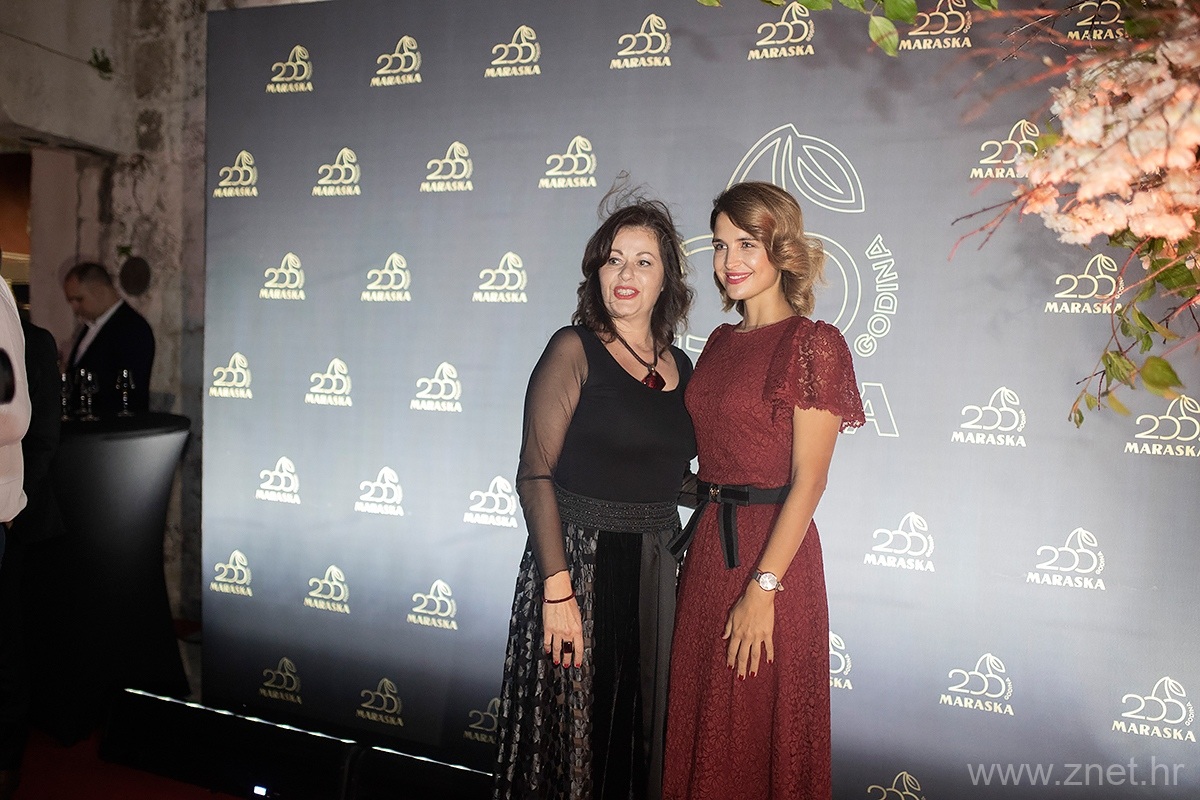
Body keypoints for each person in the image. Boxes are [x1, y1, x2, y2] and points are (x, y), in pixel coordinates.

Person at [662, 182, 865, 800]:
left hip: (772, 561)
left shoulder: (812, 343)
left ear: (782, 248)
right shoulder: (720, 343)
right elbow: (713, 461)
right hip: (707, 556)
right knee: (701, 722)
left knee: (751, 728)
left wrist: (763, 588)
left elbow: (810, 479)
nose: (730, 261)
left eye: (747, 244)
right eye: (720, 246)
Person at [494, 199, 696, 800]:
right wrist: (557, 591)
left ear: (667, 278)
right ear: (597, 273)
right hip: (577, 565)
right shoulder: (573, 349)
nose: (626, 274)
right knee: (574, 745)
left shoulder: (684, 367)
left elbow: (667, 477)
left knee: (640, 737)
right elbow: (535, 474)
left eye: (644, 261)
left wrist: (747, 494)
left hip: (656, 569)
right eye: (614, 260)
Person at [63, 261, 155, 416]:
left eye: (79, 299)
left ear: (100, 291)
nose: (74, 308)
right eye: (70, 301)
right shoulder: (91, 326)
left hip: (113, 425)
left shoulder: (132, 328)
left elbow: (128, 389)